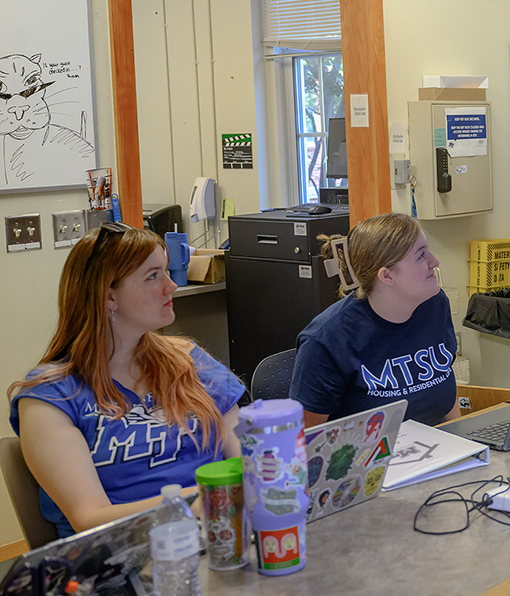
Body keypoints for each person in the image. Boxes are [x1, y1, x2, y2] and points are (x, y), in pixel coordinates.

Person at [8, 222, 245, 538]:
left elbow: (246, 457)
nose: (171, 286)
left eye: (165, 271)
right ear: (108, 297)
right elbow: (90, 518)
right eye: (152, 276)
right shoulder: (51, 398)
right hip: (121, 561)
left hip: (219, 535)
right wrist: (200, 502)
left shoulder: (188, 360)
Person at [290, 212, 459, 428]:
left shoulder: (434, 305)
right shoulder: (326, 340)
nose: (434, 262)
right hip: (364, 458)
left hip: (436, 448)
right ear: (387, 276)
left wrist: (467, 443)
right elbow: (305, 439)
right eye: (421, 255)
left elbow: (444, 383)